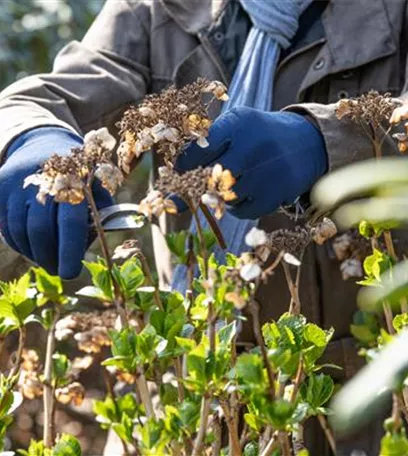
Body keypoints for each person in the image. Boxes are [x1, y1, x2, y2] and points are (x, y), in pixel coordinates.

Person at [0, 0, 404, 453]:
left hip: (367, 402)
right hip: (185, 392)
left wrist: (327, 140)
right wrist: (32, 137)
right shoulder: (160, 9)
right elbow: (41, 98)